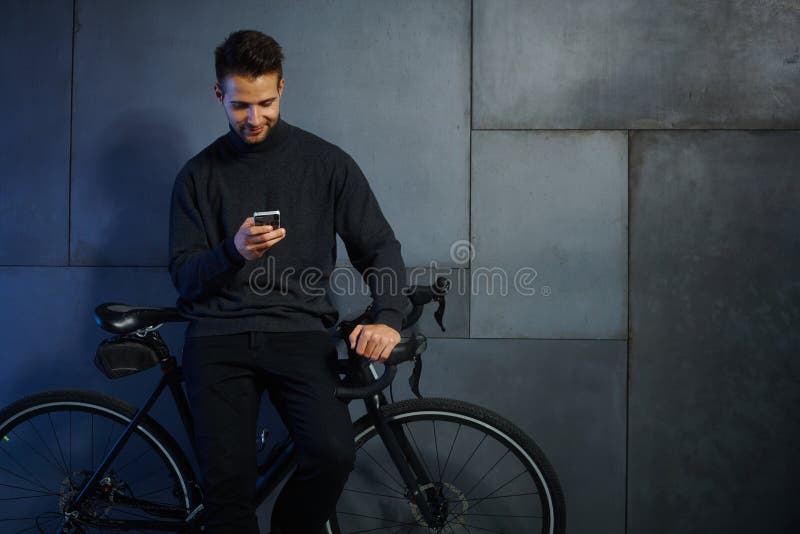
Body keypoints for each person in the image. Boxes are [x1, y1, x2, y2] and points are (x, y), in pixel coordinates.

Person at [168, 29, 411, 534]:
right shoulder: (197, 175)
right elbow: (185, 278)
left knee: (331, 454)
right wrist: (230, 253)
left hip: (299, 333)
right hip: (218, 338)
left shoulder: (326, 164)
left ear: (283, 88)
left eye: (265, 102)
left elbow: (378, 248)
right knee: (228, 490)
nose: (253, 118)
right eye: (239, 106)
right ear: (219, 95)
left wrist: (388, 317)